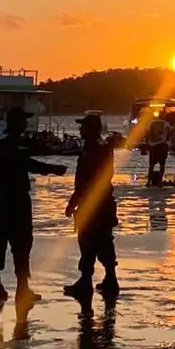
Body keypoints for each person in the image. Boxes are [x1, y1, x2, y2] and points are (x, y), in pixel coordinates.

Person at [0, 107, 67, 306]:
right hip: (16, 202)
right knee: (19, 245)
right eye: (23, 120)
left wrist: (51, 169)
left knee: (3, 243)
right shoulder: (13, 147)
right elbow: (29, 165)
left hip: (2, 201)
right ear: (16, 123)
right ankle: (17, 287)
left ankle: (1, 286)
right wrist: (52, 169)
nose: (25, 124)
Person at [64, 113, 119, 302]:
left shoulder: (94, 150)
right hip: (104, 202)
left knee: (88, 242)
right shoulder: (102, 149)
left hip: (95, 204)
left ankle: (86, 282)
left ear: (91, 129)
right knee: (103, 241)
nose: (80, 130)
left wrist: (74, 203)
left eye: (83, 127)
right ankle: (109, 279)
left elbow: (84, 182)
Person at [146, 110, 170, 187]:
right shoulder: (166, 123)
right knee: (162, 164)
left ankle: (149, 181)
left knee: (151, 165)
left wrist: (148, 143)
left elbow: (147, 132)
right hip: (162, 146)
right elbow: (170, 131)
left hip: (153, 146)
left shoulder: (151, 123)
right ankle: (160, 181)